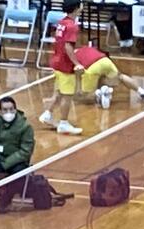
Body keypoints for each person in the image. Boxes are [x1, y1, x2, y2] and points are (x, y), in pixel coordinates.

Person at [39, 0, 84, 136]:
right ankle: (63, 123)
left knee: (58, 93)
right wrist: (76, 63)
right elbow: (68, 46)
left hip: (56, 62)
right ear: (76, 8)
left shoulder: (62, 23)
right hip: (65, 65)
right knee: (67, 95)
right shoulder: (72, 26)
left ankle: (47, 114)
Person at [73, 46, 144, 109]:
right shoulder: (85, 47)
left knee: (82, 96)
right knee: (120, 77)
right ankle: (143, 92)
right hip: (105, 60)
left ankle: (99, 93)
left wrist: (78, 82)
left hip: (90, 67)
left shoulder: (71, 57)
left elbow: (76, 73)